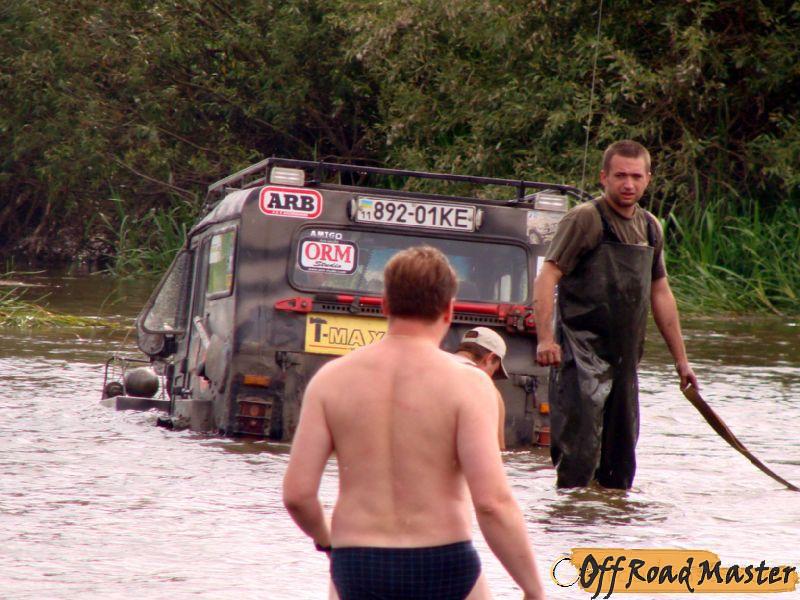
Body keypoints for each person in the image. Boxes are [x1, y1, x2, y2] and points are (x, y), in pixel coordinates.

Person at [283, 246, 547, 600]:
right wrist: (533, 589)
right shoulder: (470, 384)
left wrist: (326, 541)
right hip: (443, 562)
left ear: (384, 305)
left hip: (358, 562)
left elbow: (298, 495)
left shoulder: (331, 380)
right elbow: (492, 504)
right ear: (449, 310)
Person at [533, 140, 698, 490]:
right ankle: (571, 520)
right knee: (577, 461)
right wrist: (546, 339)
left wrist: (681, 361)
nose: (628, 184)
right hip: (579, 355)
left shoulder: (650, 227)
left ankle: (612, 518)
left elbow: (661, 292)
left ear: (648, 179)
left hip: (625, 360)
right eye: (620, 175)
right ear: (603, 177)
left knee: (620, 467)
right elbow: (548, 276)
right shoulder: (585, 219)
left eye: (636, 176)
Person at [453, 327, 509, 450]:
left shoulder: (427, 367)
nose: (491, 378)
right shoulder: (487, 389)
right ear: (490, 358)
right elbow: (498, 451)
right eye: (494, 371)